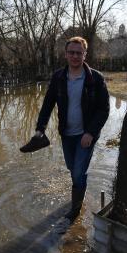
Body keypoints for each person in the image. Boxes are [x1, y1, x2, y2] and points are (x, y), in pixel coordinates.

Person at [34, 36, 110, 222]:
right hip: (66, 134)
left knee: (77, 172)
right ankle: (81, 187)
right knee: (72, 167)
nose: (75, 56)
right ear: (66, 54)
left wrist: (90, 133)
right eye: (71, 52)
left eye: (79, 53)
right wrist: (40, 129)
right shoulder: (58, 77)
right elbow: (47, 104)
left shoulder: (96, 78)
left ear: (85, 54)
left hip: (86, 135)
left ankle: (75, 210)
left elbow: (104, 109)